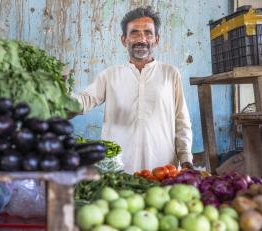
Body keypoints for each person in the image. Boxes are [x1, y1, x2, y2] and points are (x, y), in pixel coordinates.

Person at [73, 6, 193, 173]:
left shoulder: (170, 74)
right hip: (119, 171)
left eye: (148, 33)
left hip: (163, 170)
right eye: (134, 33)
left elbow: (181, 120)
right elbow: (85, 100)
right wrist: (61, 100)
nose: (141, 39)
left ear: (156, 40)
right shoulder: (109, 75)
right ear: (124, 40)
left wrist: (186, 159)